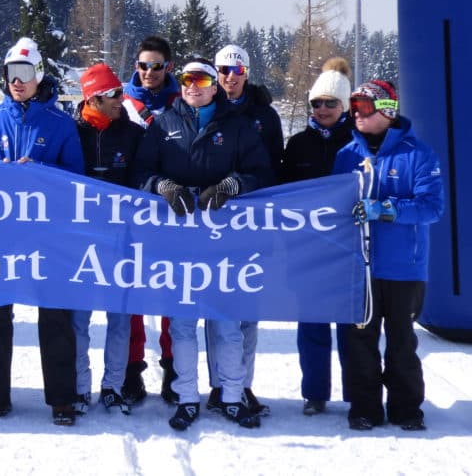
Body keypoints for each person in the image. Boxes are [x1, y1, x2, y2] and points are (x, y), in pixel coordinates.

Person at [133, 57, 272, 431]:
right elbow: (141, 172)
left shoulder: (237, 125)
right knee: (182, 324)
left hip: (225, 240)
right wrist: (162, 186)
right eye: (186, 79)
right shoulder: (164, 124)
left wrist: (233, 185)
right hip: (177, 238)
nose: (192, 85)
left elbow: (262, 172)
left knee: (226, 323)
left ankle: (230, 396)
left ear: (214, 85)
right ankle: (187, 397)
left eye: (201, 79)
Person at [0, 37, 85, 425]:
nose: (18, 81)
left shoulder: (59, 124)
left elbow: (76, 182)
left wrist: (40, 173)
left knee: (54, 316)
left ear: (38, 76)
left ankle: (62, 399)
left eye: (25, 73)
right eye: (11, 74)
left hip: (47, 235)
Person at [333, 80, 443, 432]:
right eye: (354, 106)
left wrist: (386, 208)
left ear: (387, 111)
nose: (356, 114)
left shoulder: (418, 153)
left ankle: (406, 408)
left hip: (403, 266)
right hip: (358, 267)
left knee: (401, 341)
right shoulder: (347, 153)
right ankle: (364, 407)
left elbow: (431, 208)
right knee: (360, 341)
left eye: (364, 106)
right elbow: (333, 207)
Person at [204, 44, 284, 417]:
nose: (229, 78)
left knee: (248, 310)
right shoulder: (206, 107)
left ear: (247, 73)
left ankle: (243, 384)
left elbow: (273, 170)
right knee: (215, 306)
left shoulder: (265, 116)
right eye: (223, 71)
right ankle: (220, 385)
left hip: (251, 220)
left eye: (236, 72)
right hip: (213, 219)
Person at [280, 58, 354, 416]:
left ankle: (359, 393)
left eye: (330, 103)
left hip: (351, 251)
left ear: (345, 106)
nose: (322, 109)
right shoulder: (297, 145)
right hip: (308, 248)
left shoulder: (360, 144)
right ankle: (315, 392)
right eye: (316, 103)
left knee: (354, 328)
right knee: (312, 323)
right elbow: (280, 194)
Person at [71, 63, 144, 416]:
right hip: (81, 240)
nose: (122, 99)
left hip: (122, 238)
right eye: (115, 94)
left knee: (120, 317)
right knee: (78, 320)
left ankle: (113, 386)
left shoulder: (132, 133)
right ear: (95, 98)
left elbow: (144, 178)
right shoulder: (73, 131)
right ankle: (81, 386)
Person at [121, 35, 180, 404]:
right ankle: (132, 371)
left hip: (174, 210)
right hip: (130, 209)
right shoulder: (122, 101)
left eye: (156, 66)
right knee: (132, 295)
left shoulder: (182, 100)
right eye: (143, 65)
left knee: (173, 292)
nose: (149, 72)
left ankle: (173, 370)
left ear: (168, 68)